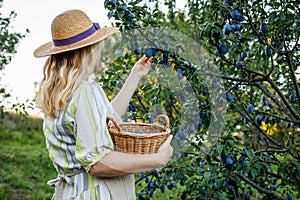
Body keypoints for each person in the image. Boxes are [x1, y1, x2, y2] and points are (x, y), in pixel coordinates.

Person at [34, 9, 173, 200]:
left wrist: (135, 75)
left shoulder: (58, 94)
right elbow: (97, 163)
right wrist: (157, 159)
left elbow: (101, 123)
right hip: (97, 194)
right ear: (90, 51)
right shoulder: (85, 91)